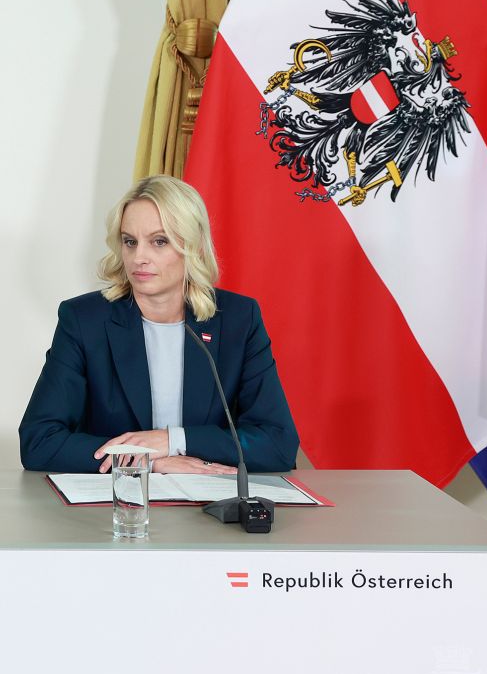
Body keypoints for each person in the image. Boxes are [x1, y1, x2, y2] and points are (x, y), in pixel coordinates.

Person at [18, 174, 299, 475]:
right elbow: (39, 441)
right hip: (116, 508)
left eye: (159, 241)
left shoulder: (237, 319)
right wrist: (150, 463)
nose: (139, 257)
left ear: (194, 247)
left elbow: (278, 444)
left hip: (208, 504)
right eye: (130, 242)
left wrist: (172, 440)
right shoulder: (85, 320)